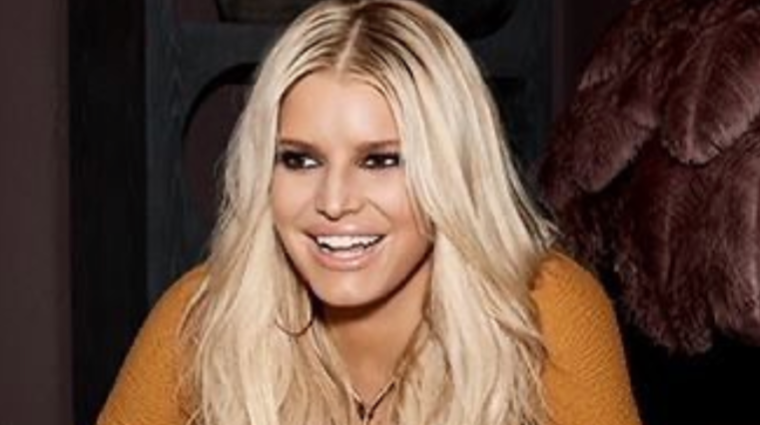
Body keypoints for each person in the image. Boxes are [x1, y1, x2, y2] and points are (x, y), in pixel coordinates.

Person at [97, 1, 642, 424]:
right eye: (300, 159)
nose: (334, 202)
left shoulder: (545, 313)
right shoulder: (203, 317)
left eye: (381, 160)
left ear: (452, 170)